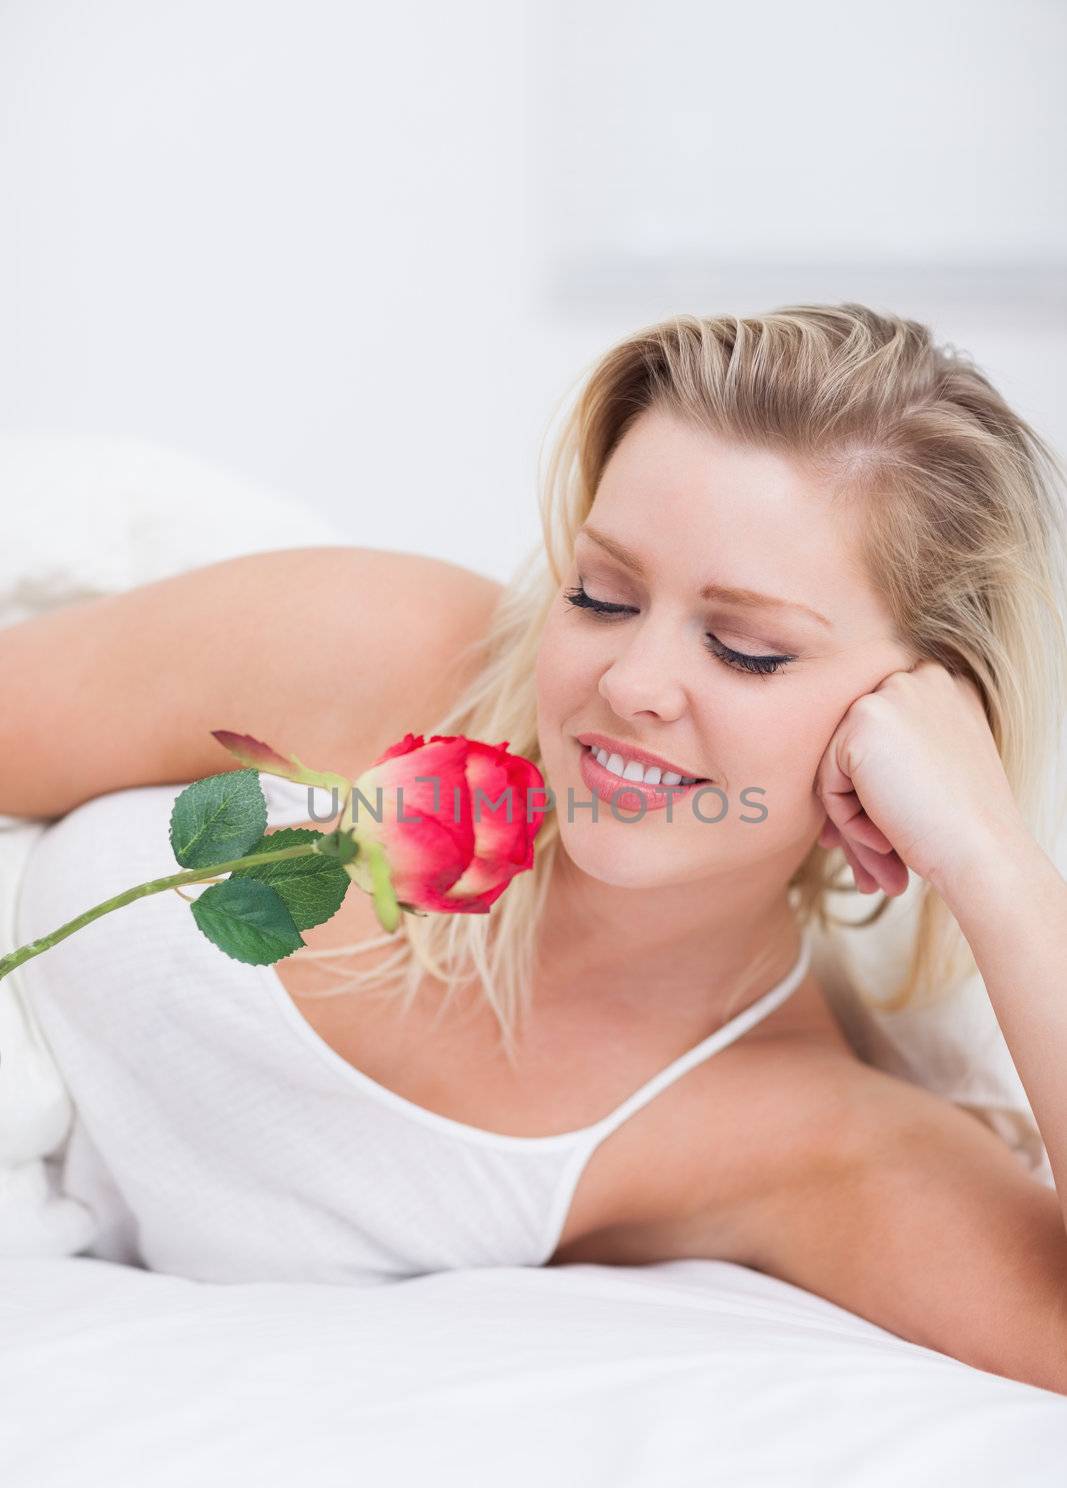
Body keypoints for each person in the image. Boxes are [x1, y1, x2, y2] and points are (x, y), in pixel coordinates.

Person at [5, 303, 1067, 1395]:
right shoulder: (373, 651)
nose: (627, 685)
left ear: (923, 713)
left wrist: (992, 861)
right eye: (601, 595)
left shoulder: (785, 1122)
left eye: (745, 651)